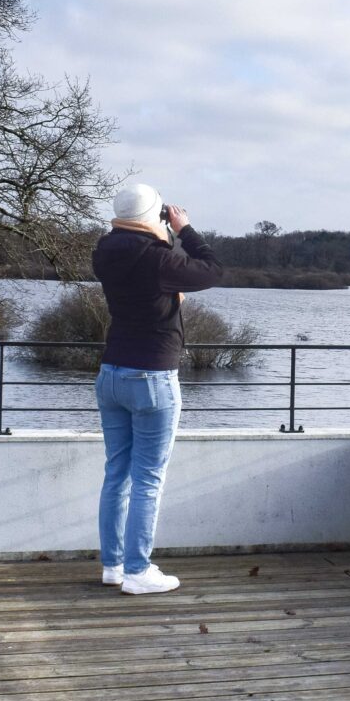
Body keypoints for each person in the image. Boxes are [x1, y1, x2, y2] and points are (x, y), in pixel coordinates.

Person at [92, 183, 223, 595]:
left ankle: (113, 566)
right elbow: (213, 269)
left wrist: (169, 292)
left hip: (111, 372)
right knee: (148, 479)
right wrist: (183, 229)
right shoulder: (157, 258)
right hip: (151, 377)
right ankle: (138, 571)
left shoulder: (105, 252)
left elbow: (144, 295)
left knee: (117, 474)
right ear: (153, 217)